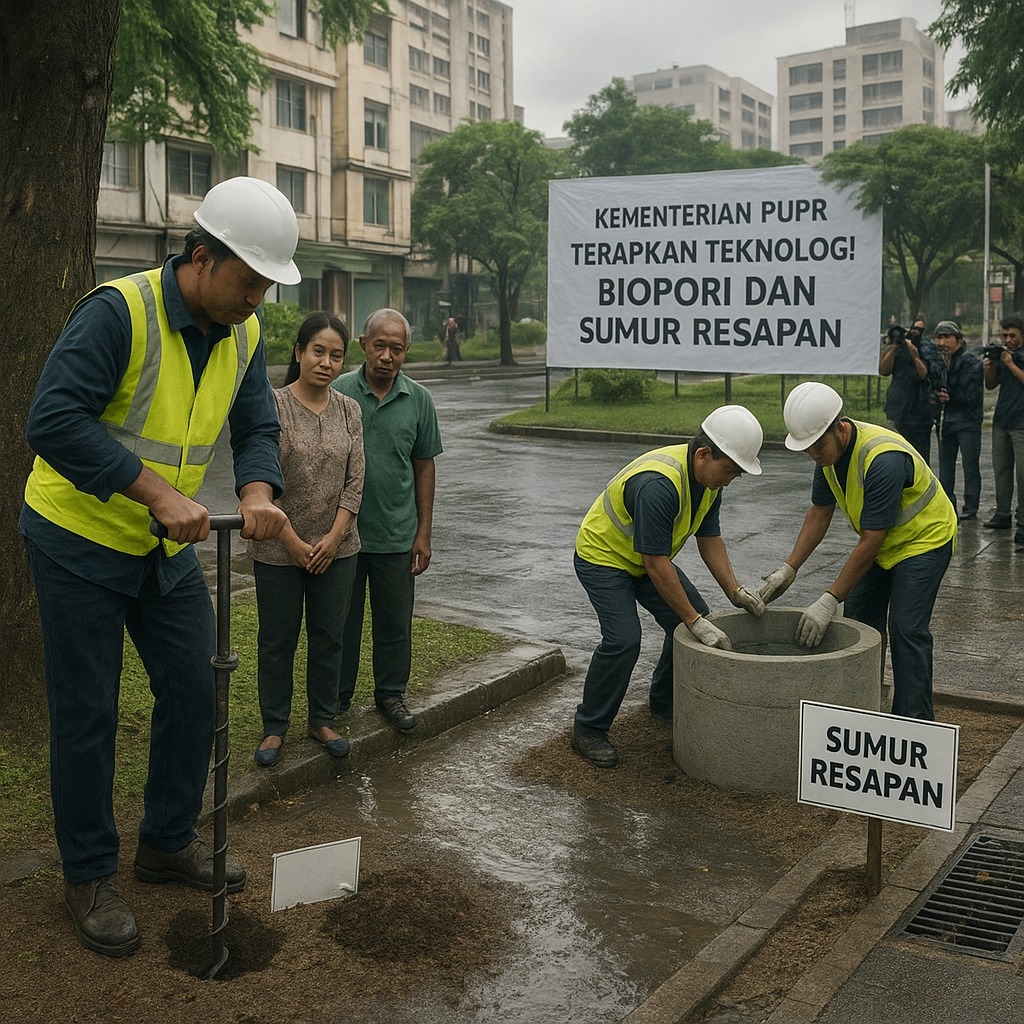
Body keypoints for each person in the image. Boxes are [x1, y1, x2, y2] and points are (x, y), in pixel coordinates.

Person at [21, 176, 299, 957]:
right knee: (90, 711)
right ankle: (87, 873)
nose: (257, 300)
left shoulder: (244, 333)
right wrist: (153, 492)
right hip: (77, 538)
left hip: (160, 545)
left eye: (269, 287)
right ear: (201, 256)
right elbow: (52, 419)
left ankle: (166, 839)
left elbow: (255, 425)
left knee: (196, 680)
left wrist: (255, 486)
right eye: (249, 281)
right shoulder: (120, 312)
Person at [571, 406, 767, 769]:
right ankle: (588, 729)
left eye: (737, 474)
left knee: (691, 624)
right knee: (624, 640)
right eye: (729, 470)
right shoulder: (659, 485)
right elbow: (655, 564)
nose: (730, 480)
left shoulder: (709, 481)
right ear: (704, 454)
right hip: (604, 558)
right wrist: (693, 620)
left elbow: (710, 539)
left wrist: (735, 591)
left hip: (646, 559)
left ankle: (663, 705)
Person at [760, 382, 957, 722]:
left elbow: (871, 540)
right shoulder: (827, 453)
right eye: (806, 448)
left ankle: (915, 721)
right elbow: (819, 512)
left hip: (924, 540)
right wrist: (789, 568)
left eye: (816, 445)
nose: (813, 455)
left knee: (906, 628)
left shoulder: (882, 459)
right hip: (882, 543)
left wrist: (829, 597)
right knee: (861, 624)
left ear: (840, 427)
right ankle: (862, 709)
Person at [250, 313, 365, 768]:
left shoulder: (349, 409)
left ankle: (321, 719)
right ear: (298, 352)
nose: (327, 362)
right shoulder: (271, 405)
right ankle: (274, 727)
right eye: (318, 351)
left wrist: (336, 536)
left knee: (328, 636)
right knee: (277, 640)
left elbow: (356, 479)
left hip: (338, 549)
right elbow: (261, 477)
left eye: (336, 355)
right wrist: (292, 540)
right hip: (278, 547)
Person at [333, 309, 443, 733]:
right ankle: (337, 698)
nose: (386, 356)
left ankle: (390, 694)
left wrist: (424, 532)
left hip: (397, 535)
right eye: (379, 345)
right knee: (340, 622)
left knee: (394, 622)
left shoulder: (419, 400)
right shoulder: (339, 391)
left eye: (396, 349)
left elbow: (424, 467)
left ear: (406, 353)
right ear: (363, 344)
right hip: (343, 535)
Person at [933, 320, 983, 521]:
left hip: (968, 422)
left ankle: (971, 506)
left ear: (959, 340)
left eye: (947, 337)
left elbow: (973, 395)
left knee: (970, 466)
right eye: (939, 337)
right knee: (945, 465)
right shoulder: (938, 363)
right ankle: (947, 503)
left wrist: (950, 397)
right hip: (946, 422)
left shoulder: (972, 362)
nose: (942, 342)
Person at [983, 314, 1024, 544]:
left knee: (1022, 475)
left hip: (1022, 422)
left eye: (1012, 336)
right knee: (1001, 469)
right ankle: (1002, 513)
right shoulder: (1003, 355)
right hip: (1002, 420)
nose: (1007, 339)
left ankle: (1023, 522)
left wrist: (1009, 363)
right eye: (1004, 335)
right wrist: (992, 367)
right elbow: (990, 385)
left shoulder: (1016, 357)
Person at [878, 315, 942, 462]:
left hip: (920, 410)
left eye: (920, 329)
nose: (916, 332)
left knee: (920, 457)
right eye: (914, 328)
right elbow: (884, 370)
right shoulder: (897, 348)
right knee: (899, 453)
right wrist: (894, 347)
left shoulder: (927, 348)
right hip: (899, 408)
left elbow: (923, 374)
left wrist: (914, 354)